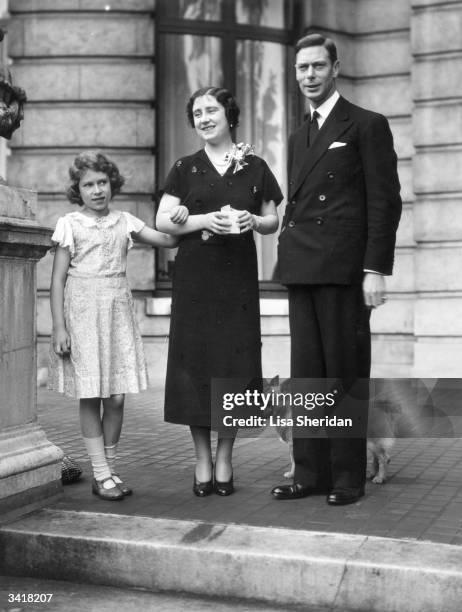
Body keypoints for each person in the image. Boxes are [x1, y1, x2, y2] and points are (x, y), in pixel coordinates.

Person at [272, 34, 402, 505]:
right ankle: (309, 473)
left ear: (335, 68)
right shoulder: (297, 134)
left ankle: (348, 477)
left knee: (344, 375)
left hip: (346, 270)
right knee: (308, 376)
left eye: (317, 67)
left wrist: (375, 269)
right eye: (302, 68)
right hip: (303, 266)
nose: (309, 76)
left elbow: (385, 202)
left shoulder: (366, 124)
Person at [156, 86, 283, 497]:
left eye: (212, 110)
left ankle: (226, 456)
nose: (204, 118)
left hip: (237, 282)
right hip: (195, 281)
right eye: (197, 113)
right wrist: (198, 218)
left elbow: (271, 221)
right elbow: (163, 222)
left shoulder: (255, 166)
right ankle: (201, 459)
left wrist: (253, 221)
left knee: (233, 362)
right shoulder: (185, 167)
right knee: (195, 363)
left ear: (230, 114)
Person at [48, 151, 177, 501]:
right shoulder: (70, 224)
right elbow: (57, 280)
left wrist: (179, 212)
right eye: (88, 184)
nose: (96, 190)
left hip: (116, 312)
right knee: (91, 394)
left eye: (102, 182)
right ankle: (100, 473)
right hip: (83, 314)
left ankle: (110, 469)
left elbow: (169, 239)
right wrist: (59, 327)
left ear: (112, 184)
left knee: (116, 397)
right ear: (78, 189)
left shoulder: (125, 221)